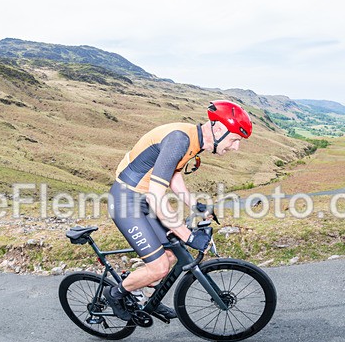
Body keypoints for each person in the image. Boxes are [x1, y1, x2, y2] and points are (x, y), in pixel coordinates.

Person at [103, 100, 253, 321]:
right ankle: (114, 294)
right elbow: (156, 197)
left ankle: (147, 299)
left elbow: (174, 174)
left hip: (142, 199)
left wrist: (194, 205)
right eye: (235, 139)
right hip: (126, 201)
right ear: (219, 129)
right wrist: (188, 236)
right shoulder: (179, 141)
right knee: (159, 267)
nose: (235, 147)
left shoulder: (193, 139)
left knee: (172, 254)